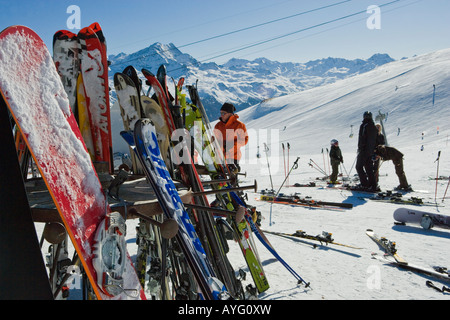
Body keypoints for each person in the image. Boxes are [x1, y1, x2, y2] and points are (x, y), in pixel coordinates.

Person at [214, 103, 248, 172]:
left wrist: (233, 145)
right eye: (221, 113)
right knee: (220, 177)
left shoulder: (239, 125)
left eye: (223, 113)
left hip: (233, 156)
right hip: (220, 156)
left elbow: (244, 140)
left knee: (232, 176)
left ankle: (234, 182)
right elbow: (216, 139)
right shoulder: (218, 125)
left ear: (230, 114)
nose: (221, 115)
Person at [355, 111, 378, 191]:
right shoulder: (374, 126)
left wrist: (360, 148)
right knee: (369, 168)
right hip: (370, 151)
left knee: (359, 167)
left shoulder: (364, 126)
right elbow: (376, 139)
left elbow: (362, 138)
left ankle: (365, 184)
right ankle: (373, 185)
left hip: (364, 150)